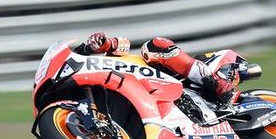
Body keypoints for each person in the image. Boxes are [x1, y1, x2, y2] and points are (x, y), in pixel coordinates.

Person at [76, 32, 237, 105]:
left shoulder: (94, 60)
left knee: (154, 45)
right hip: (142, 100)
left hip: (159, 77)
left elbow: (124, 44)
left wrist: (105, 43)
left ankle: (216, 82)